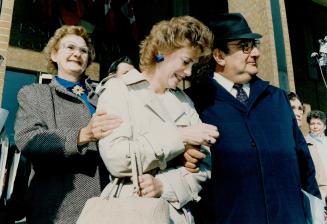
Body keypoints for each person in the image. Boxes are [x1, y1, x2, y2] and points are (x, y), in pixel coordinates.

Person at [186, 13, 320, 223]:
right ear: (219, 56)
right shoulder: (195, 103)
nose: (256, 52)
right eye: (244, 46)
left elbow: (304, 165)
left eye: (254, 44)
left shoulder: (277, 99)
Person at [97, 16, 219, 223]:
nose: (189, 72)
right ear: (162, 52)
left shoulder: (185, 103)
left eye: (193, 64)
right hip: (130, 211)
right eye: (186, 61)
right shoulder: (119, 90)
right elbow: (117, 159)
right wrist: (180, 137)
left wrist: (164, 185)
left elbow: (204, 167)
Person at [14, 25, 122, 223]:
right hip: (58, 209)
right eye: (70, 47)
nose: (77, 54)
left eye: (83, 51)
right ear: (54, 54)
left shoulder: (105, 96)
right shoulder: (35, 94)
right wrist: (82, 135)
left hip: (109, 205)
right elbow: (28, 140)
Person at [288, 92, 327, 218]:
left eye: (300, 108)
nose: (315, 127)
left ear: (325, 126)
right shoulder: (305, 142)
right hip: (314, 195)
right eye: (312, 124)